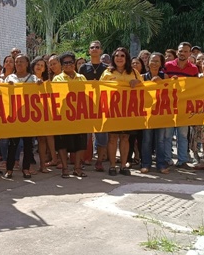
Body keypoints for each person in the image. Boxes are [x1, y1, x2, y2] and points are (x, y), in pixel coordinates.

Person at [100, 47, 143, 176]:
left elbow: (145, 89)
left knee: (125, 138)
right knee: (112, 138)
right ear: (113, 58)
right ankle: (113, 166)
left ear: (126, 58)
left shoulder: (134, 72)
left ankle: (124, 165)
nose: (119, 58)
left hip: (128, 111)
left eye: (122, 56)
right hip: (112, 111)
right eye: (117, 55)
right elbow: (100, 89)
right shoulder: (107, 72)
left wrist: (138, 83)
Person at [0, 54, 42, 179]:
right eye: (16, 62)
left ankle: (26, 168)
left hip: (28, 115)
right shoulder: (9, 78)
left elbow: (40, 93)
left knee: (28, 144)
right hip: (14, 115)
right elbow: (3, 93)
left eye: (21, 62)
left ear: (27, 64)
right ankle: (9, 169)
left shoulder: (33, 78)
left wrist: (40, 84)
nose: (18, 64)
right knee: (13, 144)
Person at [52, 51, 88, 178]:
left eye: (71, 62)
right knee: (62, 142)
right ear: (61, 65)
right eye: (65, 63)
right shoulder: (57, 79)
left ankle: (77, 168)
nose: (68, 65)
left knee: (81, 142)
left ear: (75, 63)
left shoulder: (82, 78)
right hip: (63, 115)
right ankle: (65, 169)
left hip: (79, 114)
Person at [164, 42, 199, 170]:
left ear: (190, 53)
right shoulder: (167, 65)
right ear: (177, 51)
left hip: (184, 107)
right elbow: (161, 82)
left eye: (185, 51)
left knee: (183, 135)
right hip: (168, 105)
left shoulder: (194, 69)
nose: (182, 53)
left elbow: (196, 87)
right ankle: (167, 160)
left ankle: (182, 160)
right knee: (167, 135)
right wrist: (168, 80)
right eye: (180, 51)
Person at [78, 41, 109, 172]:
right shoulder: (83, 68)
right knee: (84, 135)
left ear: (101, 51)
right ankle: (82, 160)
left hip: (102, 105)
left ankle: (100, 161)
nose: (95, 49)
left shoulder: (107, 68)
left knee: (102, 134)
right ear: (89, 51)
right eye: (92, 47)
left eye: (97, 47)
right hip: (86, 104)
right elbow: (78, 86)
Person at [140, 52, 170, 174]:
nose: (154, 63)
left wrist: (162, 83)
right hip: (147, 114)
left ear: (161, 64)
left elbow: (171, 92)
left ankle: (161, 165)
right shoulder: (142, 77)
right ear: (148, 62)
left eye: (157, 61)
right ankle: (146, 164)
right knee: (146, 139)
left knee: (160, 140)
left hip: (161, 113)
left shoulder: (165, 76)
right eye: (152, 60)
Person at [30, 56, 56, 173]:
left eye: (42, 65)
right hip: (30, 114)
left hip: (44, 113)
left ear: (45, 68)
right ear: (33, 66)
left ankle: (43, 165)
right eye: (37, 65)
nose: (39, 67)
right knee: (28, 141)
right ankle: (28, 165)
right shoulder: (28, 79)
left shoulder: (48, 82)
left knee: (42, 140)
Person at [128, 57, 147, 165]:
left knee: (141, 138)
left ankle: (142, 159)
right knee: (130, 137)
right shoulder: (127, 75)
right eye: (133, 63)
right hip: (129, 111)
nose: (135, 65)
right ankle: (128, 159)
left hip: (142, 111)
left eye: (137, 63)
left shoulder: (144, 77)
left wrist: (138, 82)